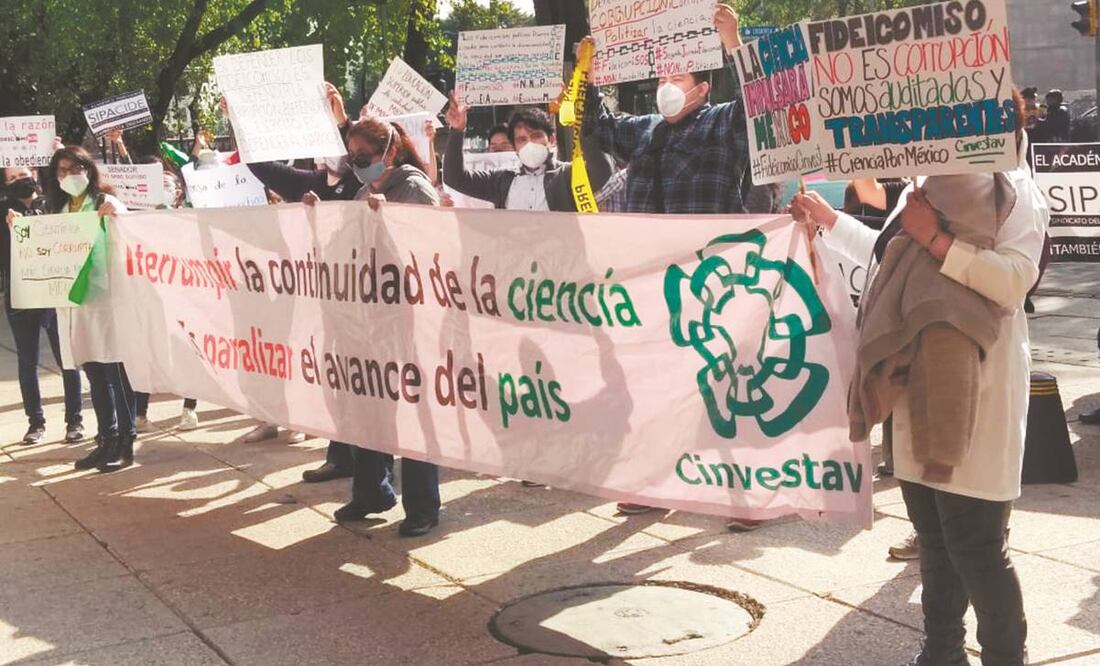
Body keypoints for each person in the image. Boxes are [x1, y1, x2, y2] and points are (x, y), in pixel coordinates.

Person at [790, 94, 1046, 666]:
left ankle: (1006, 656)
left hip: (975, 394)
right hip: (911, 386)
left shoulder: (1014, 190)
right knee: (932, 542)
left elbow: (1012, 281)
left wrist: (937, 239)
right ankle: (941, 653)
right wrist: (829, 222)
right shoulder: (922, 183)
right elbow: (892, 261)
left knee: (977, 547)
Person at [583, 4, 755, 528]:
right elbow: (598, 125)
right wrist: (587, 79)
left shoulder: (724, 122)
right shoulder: (646, 129)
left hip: (713, 281)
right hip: (656, 284)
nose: (666, 83)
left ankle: (749, 493)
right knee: (657, 386)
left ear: (703, 87)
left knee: (725, 385)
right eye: (662, 75)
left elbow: (760, 107)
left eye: (677, 76)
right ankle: (657, 483)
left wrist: (734, 44)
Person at [334, 116, 442, 537]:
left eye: (364, 155)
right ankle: (371, 491)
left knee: (413, 410)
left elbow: (431, 252)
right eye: (353, 156)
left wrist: (389, 222)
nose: (358, 163)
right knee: (369, 402)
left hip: (409, 319)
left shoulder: (414, 189)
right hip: (370, 318)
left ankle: (423, 506)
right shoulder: (365, 191)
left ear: (390, 152)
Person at [42, 147, 137, 471]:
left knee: (116, 371)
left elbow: (131, 238)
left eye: (74, 168)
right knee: (95, 373)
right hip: (78, 303)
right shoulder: (61, 209)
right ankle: (106, 439)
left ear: (88, 168)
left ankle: (126, 441)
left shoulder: (105, 203)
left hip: (107, 302)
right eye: (61, 171)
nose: (68, 176)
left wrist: (116, 217)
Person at [2, 167, 85, 445]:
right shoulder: (3, 211)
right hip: (21, 298)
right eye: (11, 178)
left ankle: (75, 420)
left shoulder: (53, 204)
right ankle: (35, 423)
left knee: (67, 360)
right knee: (28, 362)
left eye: (22, 174)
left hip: (54, 294)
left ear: (35, 172)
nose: (19, 181)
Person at [443, 101, 612, 212]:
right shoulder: (502, 180)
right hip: (515, 263)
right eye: (522, 139)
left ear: (551, 139)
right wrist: (457, 131)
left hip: (559, 262)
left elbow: (602, 172)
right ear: (514, 147)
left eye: (536, 135)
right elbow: (455, 178)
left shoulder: (568, 175)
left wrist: (579, 120)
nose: (529, 143)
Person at [132, 168, 201, 432]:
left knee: (188, 354)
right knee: (147, 356)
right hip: (151, 300)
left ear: (178, 192)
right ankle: (139, 414)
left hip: (184, 300)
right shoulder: (139, 222)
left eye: (167, 184)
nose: (162, 189)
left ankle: (189, 409)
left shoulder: (188, 219)